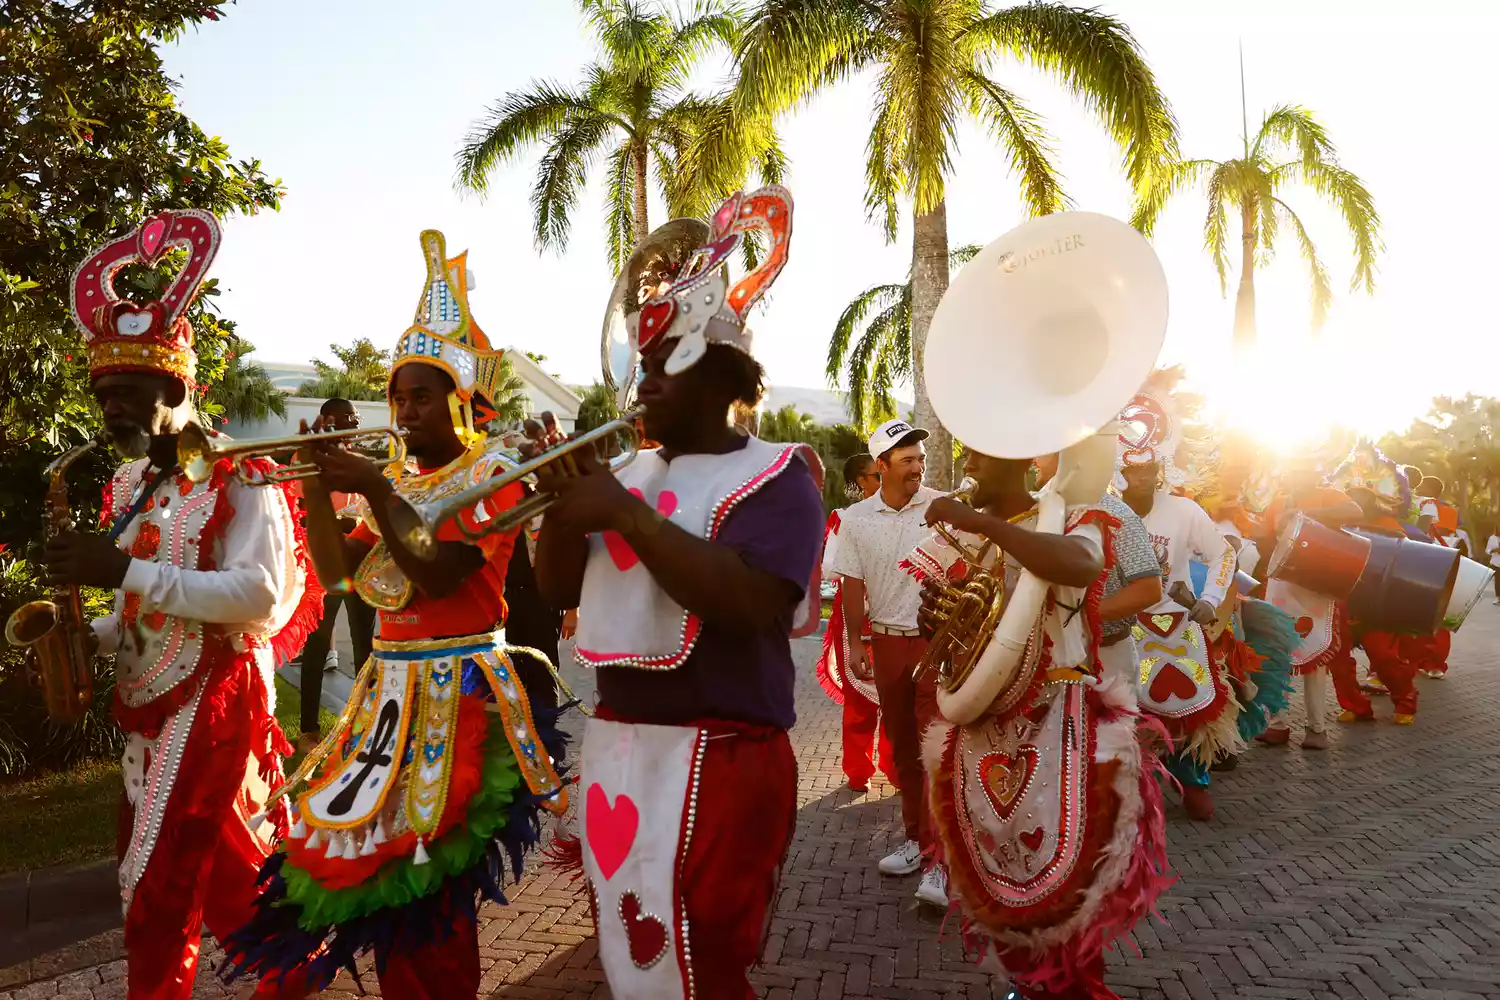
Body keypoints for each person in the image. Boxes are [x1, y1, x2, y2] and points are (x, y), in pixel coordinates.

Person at [222, 230, 568, 999]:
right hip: (390, 696)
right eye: (399, 396)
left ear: (457, 398)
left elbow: (441, 576)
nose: (407, 409)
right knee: (376, 870)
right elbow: (342, 575)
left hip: (459, 691)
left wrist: (379, 490)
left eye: (422, 395)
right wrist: (314, 482)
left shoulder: (494, 473)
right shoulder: (399, 475)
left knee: (431, 888)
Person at [535, 187, 824, 998]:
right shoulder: (626, 470)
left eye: (663, 367)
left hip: (725, 754)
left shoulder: (779, 475)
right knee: (635, 958)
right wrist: (564, 510)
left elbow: (750, 602)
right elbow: (554, 592)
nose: (642, 383)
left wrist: (623, 511)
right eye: (642, 366)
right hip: (620, 746)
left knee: (706, 958)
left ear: (721, 377)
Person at [43, 209, 319, 1000]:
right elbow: (146, 609)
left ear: (175, 385)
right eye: (104, 398)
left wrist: (120, 571)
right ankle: (294, 976)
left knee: (159, 891)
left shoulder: (244, 475)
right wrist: (80, 638)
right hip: (148, 709)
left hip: (217, 702)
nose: (111, 413)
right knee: (232, 887)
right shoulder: (129, 485)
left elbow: (259, 599)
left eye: (128, 395)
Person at [913, 447, 1171, 1000]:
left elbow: (1079, 565)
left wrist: (980, 524)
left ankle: (1073, 989)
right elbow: (959, 632)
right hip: (986, 726)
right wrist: (936, 615)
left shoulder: (1077, 517)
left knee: (1071, 879)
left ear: (1018, 458)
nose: (968, 467)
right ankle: (1029, 983)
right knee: (995, 867)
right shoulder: (970, 536)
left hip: (1059, 720)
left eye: (978, 456)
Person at [826, 416, 948, 907]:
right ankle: (918, 842)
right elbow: (852, 584)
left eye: (920, 458)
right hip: (888, 642)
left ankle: (941, 862)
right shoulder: (855, 520)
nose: (917, 467)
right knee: (904, 752)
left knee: (935, 748)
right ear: (882, 465)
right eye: (907, 460)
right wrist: (857, 644)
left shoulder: (942, 506)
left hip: (937, 643)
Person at [1254, 455, 1364, 746]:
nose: (1297, 477)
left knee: (1315, 657)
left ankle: (1317, 730)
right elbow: (1263, 537)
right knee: (1276, 655)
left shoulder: (1328, 494)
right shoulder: (1277, 502)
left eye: (1303, 471)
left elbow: (1355, 510)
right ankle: (1277, 725)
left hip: (1316, 588)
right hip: (1281, 588)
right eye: (1293, 471)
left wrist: (1305, 512)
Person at [293, 397, 378, 751]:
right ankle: (308, 731)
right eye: (347, 418)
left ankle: (367, 723)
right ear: (326, 419)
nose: (355, 424)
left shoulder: (360, 462)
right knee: (315, 648)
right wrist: (336, 523)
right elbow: (298, 513)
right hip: (321, 566)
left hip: (360, 565)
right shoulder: (306, 459)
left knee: (366, 649)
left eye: (356, 418)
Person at [816, 452, 896, 792]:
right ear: (862, 482)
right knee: (860, 700)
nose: (882, 481)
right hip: (854, 619)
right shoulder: (844, 519)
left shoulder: (906, 517)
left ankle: (894, 766)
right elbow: (831, 569)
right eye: (876, 476)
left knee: (895, 700)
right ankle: (857, 769)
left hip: (894, 614)